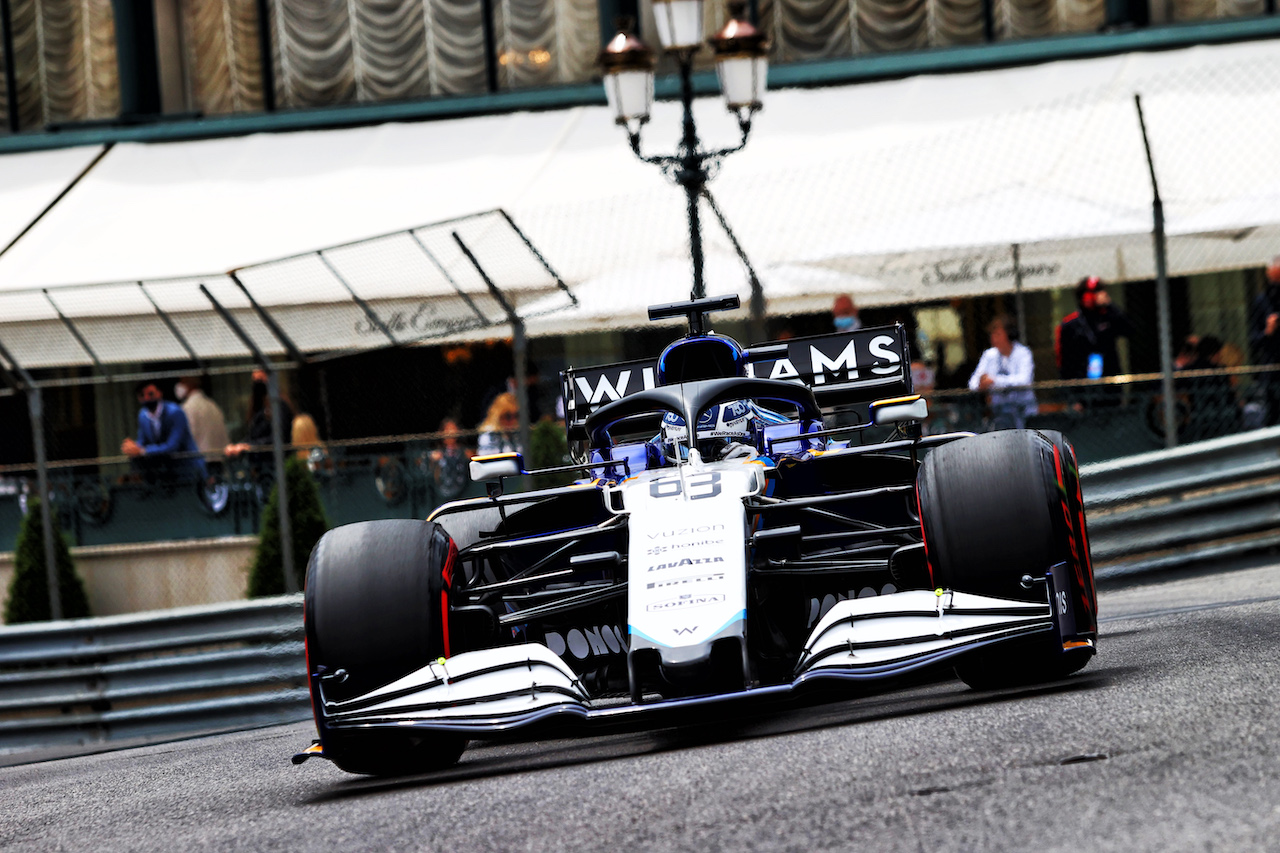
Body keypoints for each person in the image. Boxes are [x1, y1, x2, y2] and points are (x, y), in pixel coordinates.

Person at [121, 382, 207, 483]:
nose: (147, 398)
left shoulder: (175, 412)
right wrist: (132, 447)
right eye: (142, 395)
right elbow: (142, 440)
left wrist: (142, 451)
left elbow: (172, 446)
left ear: (159, 393)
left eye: (151, 394)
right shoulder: (142, 415)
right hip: (166, 474)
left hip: (189, 470)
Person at [1055, 276, 1134, 381]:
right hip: (1081, 381)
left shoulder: (1109, 317)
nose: (1102, 295)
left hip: (1109, 377)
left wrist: (1110, 305)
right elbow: (1064, 360)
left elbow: (1129, 330)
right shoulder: (1070, 324)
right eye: (1097, 291)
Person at [968, 316, 1038, 430]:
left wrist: (995, 381)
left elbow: (1024, 380)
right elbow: (973, 383)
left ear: (1009, 335)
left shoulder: (1023, 353)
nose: (994, 338)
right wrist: (982, 383)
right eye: (992, 335)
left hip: (1023, 410)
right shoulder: (989, 355)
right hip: (999, 413)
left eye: (998, 334)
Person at [225, 369, 295, 463]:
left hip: (275, 461)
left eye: (261, 380)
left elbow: (279, 436)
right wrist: (239, 445)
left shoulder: (279, 405)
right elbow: (254, 435)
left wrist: (250, 446)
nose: (258, 385)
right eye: (255, 380)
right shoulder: (259, 408)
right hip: (261, 463)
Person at [1248, 256, 1280, 424]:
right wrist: (1268, 331)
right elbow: (1253, 339)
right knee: (1272, 413)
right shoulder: (1262, 301)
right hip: (1272, 367)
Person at [175, 376, 229, 457]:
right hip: (218, 460)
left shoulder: (187, 408)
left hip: (199, 461)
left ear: (189, 385)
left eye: (182, 382)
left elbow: (186, 438)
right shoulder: (212, 405)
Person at [430, 417, 473, 500]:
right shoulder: (437, 453)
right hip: (442, 493)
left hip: (464, 492)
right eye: (447, 429)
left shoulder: (464, 452)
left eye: (453, 429)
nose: (451, 433)